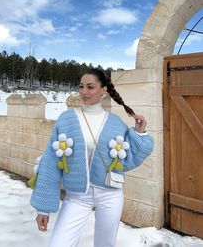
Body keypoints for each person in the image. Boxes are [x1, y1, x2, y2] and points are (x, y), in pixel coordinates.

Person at [30, 68, 154, 247]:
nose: (84, 92)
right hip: (77, 196)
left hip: (110, 195)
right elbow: (51, 162)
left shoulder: (116, 124)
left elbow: (127, 160)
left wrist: (140, 134)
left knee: (105, 244)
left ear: (103, 90)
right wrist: (43, 208)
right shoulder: (66, 120)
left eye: (90, 87)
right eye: (81, 87)